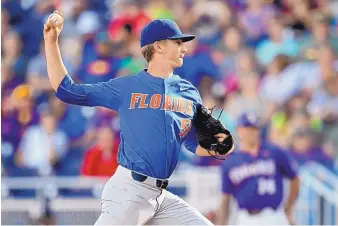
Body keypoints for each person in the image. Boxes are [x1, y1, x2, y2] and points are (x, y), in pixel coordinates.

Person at [43, 11, 234, 225]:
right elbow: (68, 91)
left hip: (161, 196)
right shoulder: (127, 87)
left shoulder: (187, 91)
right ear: (159, 46)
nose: (184, 48)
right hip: (129, 191)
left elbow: (190, 142)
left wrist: (216, 146)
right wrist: (51, 42)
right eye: (178, 42)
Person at [216, 113, 300, 225]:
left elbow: (294, 178)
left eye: (255, 129)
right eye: (248, 129)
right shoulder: (231, 161)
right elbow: (225, 197)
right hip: (246, 218)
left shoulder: (275, 152)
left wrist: (289, 207)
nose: (252, 133)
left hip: (273, 216)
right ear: (239, 130)